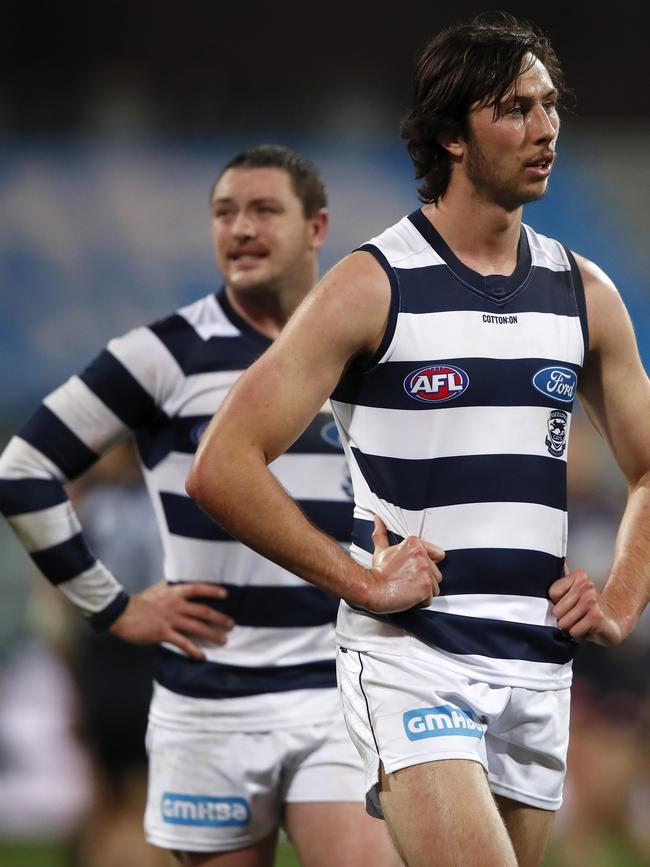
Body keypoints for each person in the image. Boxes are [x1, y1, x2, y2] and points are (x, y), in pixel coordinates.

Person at [185, 14, 650, 867]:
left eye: (550, 105)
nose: (544, 129)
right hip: (417, 661)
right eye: (514, 108)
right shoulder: (373, 285)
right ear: (451, 135)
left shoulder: (586, 293)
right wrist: (358, 578)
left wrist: (622, 598)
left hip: (538, 670)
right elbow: (222, 465)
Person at [0, 144, 401, 867]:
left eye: (263, 210)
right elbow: (24, 469)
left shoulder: (371, 350)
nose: (240, 228)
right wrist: (112, 607)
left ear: (317, 227)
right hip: (212, 700)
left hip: (342, 688)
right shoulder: (162, 355)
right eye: (224, 213)